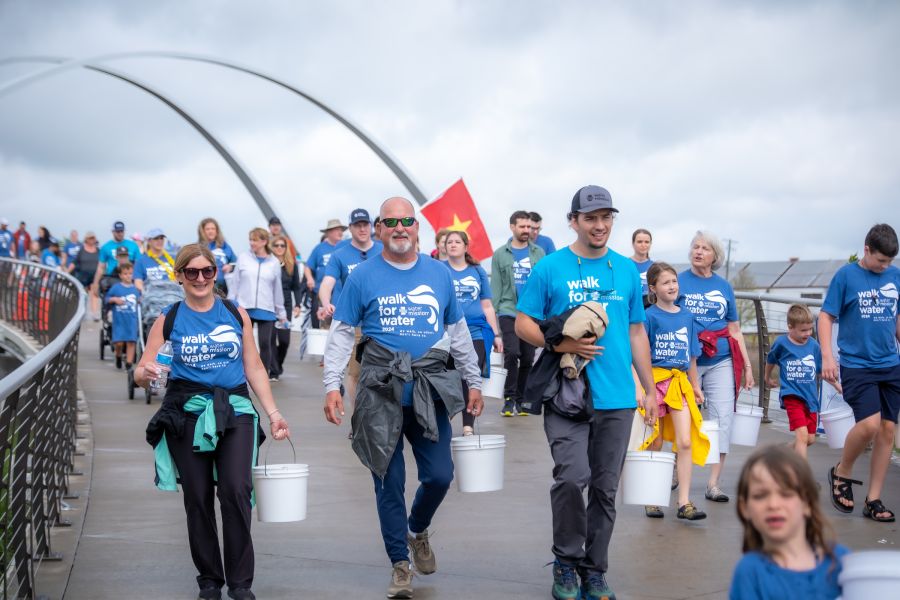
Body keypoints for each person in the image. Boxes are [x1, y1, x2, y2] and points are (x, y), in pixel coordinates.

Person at [323, 197, 483, 599]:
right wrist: (332, 385)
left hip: (430, 388)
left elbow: (459, 332)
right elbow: (342, 332)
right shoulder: (362, 276)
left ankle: (417, 530)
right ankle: (399, 561)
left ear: (417, 228)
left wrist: (474, 379)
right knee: (388, 481)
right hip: (380, 393)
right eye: (390, 221)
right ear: (378, 229)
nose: (398, 228)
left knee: (440, 476)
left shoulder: (439, 273)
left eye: (406, 221)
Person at [515, 185, 656, 600]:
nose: (599, 225)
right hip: (566, 394)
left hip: (617, 398)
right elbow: (524, 323)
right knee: (571, 478)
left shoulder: (627, 270)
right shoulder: (551, 267)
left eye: (606, 217)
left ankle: (594, 571)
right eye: (590, 218)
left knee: (605, 489)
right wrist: (561, 344)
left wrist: (649, 388)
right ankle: (566, 561)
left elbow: (635, 332)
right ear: (573, 221)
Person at [138, 244, 290, 600]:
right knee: (198, 497)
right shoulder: (168, 318)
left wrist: (274, 413)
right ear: (179, 277)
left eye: (207, 271)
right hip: (187, 413)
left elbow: (254, 366)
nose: (201, 278)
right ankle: (209, 580)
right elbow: (142, 370)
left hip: (235, 411)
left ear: (216, 274)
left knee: (237, 490)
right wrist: (145, 374)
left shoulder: (236, 314)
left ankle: (240, 584)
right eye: (192, 272)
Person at [820, 223, 899, 522]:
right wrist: (827, 356)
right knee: (869, 425)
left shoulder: (896, 276)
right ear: (866, 250)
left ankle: (874, 499)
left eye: (890, 261)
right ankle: (842, 470)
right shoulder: (846, 276)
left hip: (890, 364)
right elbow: (826, 315)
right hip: (856, 364)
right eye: (881, 260)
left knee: (888, 430)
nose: (885, 266)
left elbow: (897, 319)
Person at [678, 230, 754, 503]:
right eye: (695, 247)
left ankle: (713, 483)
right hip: (686, 361)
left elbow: (734, 328)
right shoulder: (678, 282)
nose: (698, 251)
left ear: (715, 256)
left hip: (721, 359)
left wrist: (747, 366)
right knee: (683, 419)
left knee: (723, 418)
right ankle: (678, 468)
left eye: (704, 248)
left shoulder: (724, 287)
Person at [730, 445, 849, 600]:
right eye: (760, 495)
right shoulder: (750, 573)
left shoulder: (839, 560)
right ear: (744, 507)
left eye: (786, 494)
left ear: (807, 503)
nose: (773, 504)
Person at [640, 262, 708, 521]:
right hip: (655, 381)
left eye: (675, 282)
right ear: (653, 287)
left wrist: (696, 386)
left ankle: (684, 503)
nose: (672, 286)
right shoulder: (648, 316)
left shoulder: (687, 316)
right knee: (655, 441)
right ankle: (651, 498)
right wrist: (641, 388)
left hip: (679, 384)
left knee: (686, 441)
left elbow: (692, 356)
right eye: (666, 282)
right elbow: (639, 354)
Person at [319, 209, 384, 428]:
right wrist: (325, 302)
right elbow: (327, 283)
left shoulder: (383, 250)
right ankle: (360, 420)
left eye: (366, 224)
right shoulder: (340, 255)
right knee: (355, 373)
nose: (363, 229)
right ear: (351, 228)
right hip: (356, 322)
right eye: (358, 225)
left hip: (383, 322)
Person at [444, 230, 503, 435]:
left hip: (476, 330)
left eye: (457, 241)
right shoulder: (439, 269)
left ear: (465, 246)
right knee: (449, 376)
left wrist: (496, 334)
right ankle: (443, 421)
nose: (452, 244)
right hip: (446, 332)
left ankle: (468, 425)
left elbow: (487, 305)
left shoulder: (477, 271)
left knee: (470, 375)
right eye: (449, 241)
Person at [491, 210, 546, 416]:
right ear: (512, 227)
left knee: (528, 357)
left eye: (529, 227)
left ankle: (522, 400)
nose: (527, 230)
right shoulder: (500, 254)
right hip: (508, 311)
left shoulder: (538, 253)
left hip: (532, 313)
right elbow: (495, 287)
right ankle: (509, 398)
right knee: (512, 353)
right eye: (522, 227)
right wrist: (494, 326)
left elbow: (545, 284)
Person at [764, 304, 823, 460]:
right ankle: (802, 480)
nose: (808, 333)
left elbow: (820, 371)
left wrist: (837, 385)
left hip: (810, 399)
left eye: (810, 329)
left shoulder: (814, 346)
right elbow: (771, 360)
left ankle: (781, 452)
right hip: (792, 395)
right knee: (802, 436)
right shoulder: (781, 343)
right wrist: (767, 377)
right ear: (790, 327)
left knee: (809, 439)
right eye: (803, 330)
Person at [229, 228, 287, 381]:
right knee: (241, 344)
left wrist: (281, 313)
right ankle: (238, 376)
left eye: (255, 240)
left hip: (266, 309)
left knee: (265, 344)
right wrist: (229, 304)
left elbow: (277, 290)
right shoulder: (243, 258)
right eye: (250, 239)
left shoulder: (274, 262)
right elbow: (235, 283)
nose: (252, 243)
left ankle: (262, 376)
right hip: (244, 308)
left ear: (264, 241)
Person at [304, 218, 347, 329]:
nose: (340, 232)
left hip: (342, 293)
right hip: (322, 293)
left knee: (340, 326)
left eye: (341, 229)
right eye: (337, 229)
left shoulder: (346, 247)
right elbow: (308, 267)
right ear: (328, 233)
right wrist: (309, 279)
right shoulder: (319, 248)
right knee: (323, 325)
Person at [270, 234, 303, 381]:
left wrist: (298, 304)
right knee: (269, 339)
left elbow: (296, 287)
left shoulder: (291, 265)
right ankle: (274, 370)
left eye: (282, 245)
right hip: (269, 306)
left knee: (284, 341)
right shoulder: (268, 263)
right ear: (272, 247)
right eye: (276, 245)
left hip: (286, 306)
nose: (279, 248)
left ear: (286, 248)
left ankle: (277, 364)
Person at [92, 221, 142, 302]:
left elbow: (138, 265)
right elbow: (101, 267)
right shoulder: (105, 247)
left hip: (129, 277)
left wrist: (139, 281)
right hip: (113, 278)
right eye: (118, 231)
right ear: (113, 232)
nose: (120, 234)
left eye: (121, 231)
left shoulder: (133, 245)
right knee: (108, 301)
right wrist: (96, 283)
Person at [104, 262, 140, 370]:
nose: (128, 276)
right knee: (119, 343)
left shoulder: (136, 289)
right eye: (125, 274)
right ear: (120, 275)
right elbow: (106, 299)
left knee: (131, 341)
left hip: (132, 320)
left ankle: (129, 363)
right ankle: (118, 355)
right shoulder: (116, 288)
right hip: (119, 320)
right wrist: (114, 299)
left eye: (130, 273)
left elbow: (140, 300)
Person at [198, 218, 237, 296]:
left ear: (217, 231)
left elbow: (237, 264)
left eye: (213, 229)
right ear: (202, 231)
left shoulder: (225, 246)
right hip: (205, 288)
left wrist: (230, 267)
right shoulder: (198, 248)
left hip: (224, 289)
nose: (211, 231)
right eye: (207, 229)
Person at [70, 231, 101, 319]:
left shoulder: (98, 250)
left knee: (94, 293)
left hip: (94, 275)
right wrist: (67, 271)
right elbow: (75, 262)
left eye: (93, 238)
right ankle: (81, 312)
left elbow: (102, 263)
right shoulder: (82, 250)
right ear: (86, 239)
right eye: (90, 238)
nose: (92, 240)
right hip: (83, 275)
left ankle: (94, 313)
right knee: (83, 294)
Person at [630, 228, 654, 307]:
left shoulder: (654, 267)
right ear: (633, 243)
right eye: (639, 242)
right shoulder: (625, 264)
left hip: (649, 309)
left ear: (650, 244)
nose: (643, 245)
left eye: (646, 242)